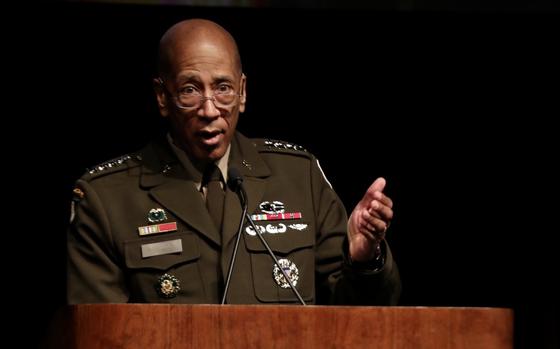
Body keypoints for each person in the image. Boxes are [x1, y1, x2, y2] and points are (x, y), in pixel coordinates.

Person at [67, 18, 401, 305]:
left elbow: (363, 315)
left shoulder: (299, 177)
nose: (210, 109)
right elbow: (98, 332)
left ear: (242, 92)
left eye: (223, 88)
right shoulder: (107, 199)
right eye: (189, 90)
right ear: (162, 97)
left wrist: (363, 259)